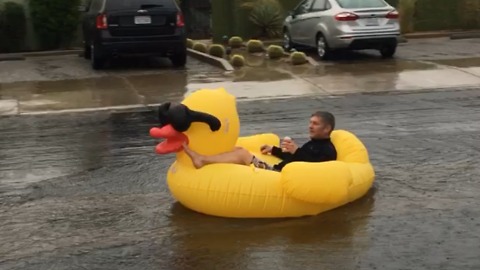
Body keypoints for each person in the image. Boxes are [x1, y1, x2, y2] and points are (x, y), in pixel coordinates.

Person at [182, 111, 337, 172]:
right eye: (310, 123)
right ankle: (206, 158)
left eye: (315, 124)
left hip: (276, 176)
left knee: (242, 154)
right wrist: (274, 150)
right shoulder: (312, 144)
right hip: (276, 170)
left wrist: (296, 151)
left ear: (326, 128)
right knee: (238, 149)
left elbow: (316, 169)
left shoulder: (328, 150)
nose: (310, 126)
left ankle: (202, 159)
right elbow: (296, 159)